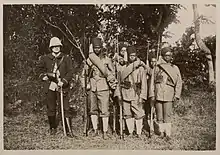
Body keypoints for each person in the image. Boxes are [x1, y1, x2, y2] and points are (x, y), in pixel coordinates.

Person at [38, 37, 75, 137]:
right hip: (50, 86)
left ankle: (68, 130)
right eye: (54, 46)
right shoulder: (45, 58)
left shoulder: (66, 58)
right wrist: (44, 76)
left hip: (62, 86)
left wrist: (64, 81)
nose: (56, 48)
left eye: (58, 46)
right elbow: (39, 71)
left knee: (65, 108)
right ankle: (52, 128)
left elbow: (70, 72)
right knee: (51, 107)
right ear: (51, 47)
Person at [82, 37, 115, 139]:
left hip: (103, 86)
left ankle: (105, 131)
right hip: (92, 87)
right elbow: (84, 75)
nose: (97, 50)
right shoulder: (88, 61)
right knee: (93, 109)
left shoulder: (107, 60)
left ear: (101, 48)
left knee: (104, 110)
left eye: (99, 48)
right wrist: (84, 86)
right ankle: (95, 130)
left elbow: (112, 73)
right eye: (95, 48)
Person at [149, 47, 182, 140]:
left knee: (167, 115)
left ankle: (168, 134)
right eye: (166, 55)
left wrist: (177, 95)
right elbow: (152, 82)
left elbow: (179, 82)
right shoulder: (157, 68)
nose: (168, 57)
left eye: (169, 55)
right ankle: (162, 133)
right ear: (163, 56)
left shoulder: (174, 68)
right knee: (159, 116)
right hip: (158, 95)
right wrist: (152, 94)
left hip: (169, 95)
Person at [115, 46, 147, 139]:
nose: (132, 57)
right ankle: (130, 132)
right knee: (127, 113)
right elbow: (118, 82)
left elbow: (144, 83)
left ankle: (138, 133)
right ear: (127, 56)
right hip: (125, 93)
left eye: (134, 55)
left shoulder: (140, 68)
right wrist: (118, 94)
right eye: (130, 55)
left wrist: (142, 96)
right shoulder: (122, 68)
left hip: (135, 93)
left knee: (138, 113)